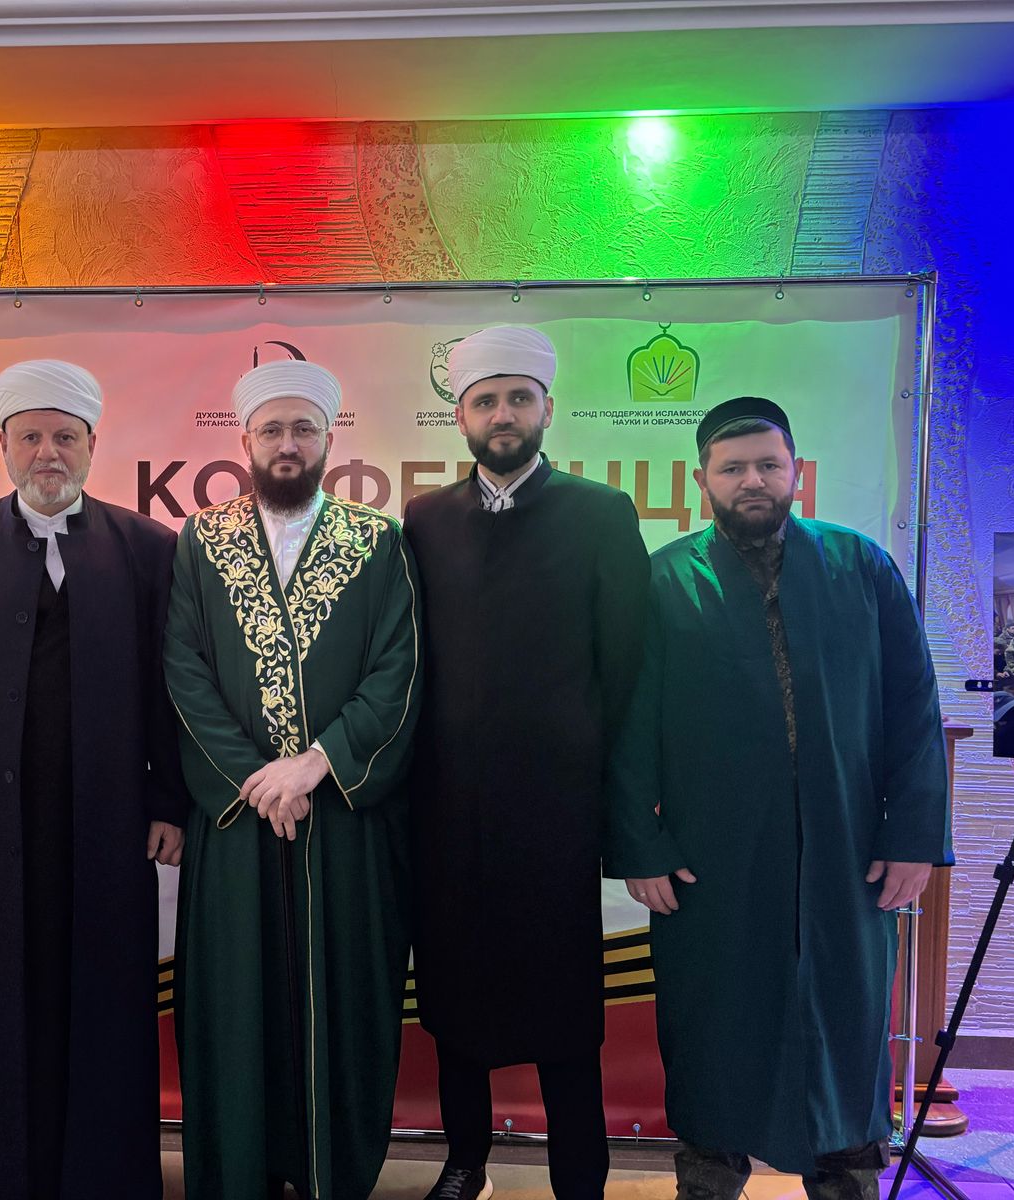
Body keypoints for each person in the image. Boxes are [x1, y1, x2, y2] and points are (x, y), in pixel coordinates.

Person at [606, 397, 951, 1200]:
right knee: (714, 1027)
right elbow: (627, 722)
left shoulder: (860, 566)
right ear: (702, 481)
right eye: (733, 468)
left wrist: (914, 837)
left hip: (848, 850)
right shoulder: (664, 579)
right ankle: (707, 1182)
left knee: (844, 1022)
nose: (752, 480)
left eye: (768, 464)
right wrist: (639, 847)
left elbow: (914, 706)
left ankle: (845, 1182)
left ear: (797, 472)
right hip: (712, 857)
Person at [0, 360, 186, 1200]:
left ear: (92, 444)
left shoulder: (148, 549)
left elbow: (168, 687)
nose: (47, 453)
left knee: (101, 1007)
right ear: (2, 444)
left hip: (108, 824)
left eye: (64, 436)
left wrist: (167, 800)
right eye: (30, 437)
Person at [403, 325, 649, 1200]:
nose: (502, 414)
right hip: (447, 811)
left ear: (547, 408)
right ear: (460, 417)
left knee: (563, 1005)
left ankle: (580, 1177)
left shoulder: (600, 512)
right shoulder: (426, 519)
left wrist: (602, 791)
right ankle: (464, 1162)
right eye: (485, 401)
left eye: (518, 398)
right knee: (454, 999)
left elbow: (626, 667)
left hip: (556, 813)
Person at [166, 358, 421, 1200]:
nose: (287, 444)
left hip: (341, 819)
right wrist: (255, 779)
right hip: (239, 819)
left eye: (302, 429)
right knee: (235, 1002)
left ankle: (331, 1173)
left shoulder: (377, 539)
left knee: (343, 999)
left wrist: (317, 764)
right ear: (244, 440)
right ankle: (239, 1173)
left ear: (328, 439)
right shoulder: (201, 541)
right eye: (271, 430)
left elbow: (398, 669)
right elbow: (183, 670)